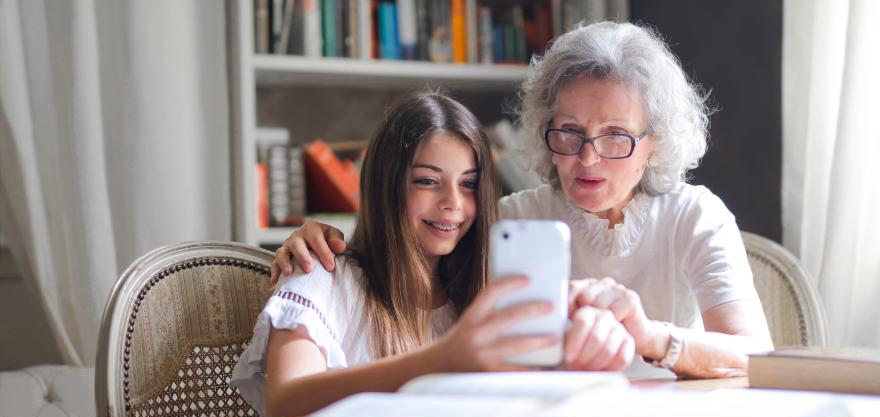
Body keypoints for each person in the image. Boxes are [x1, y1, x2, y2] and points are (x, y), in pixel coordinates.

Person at [270, 22, 775, 379]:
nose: (588, 158)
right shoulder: (508, 221)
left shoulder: (695, 214)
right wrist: (319, 238)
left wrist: (650, 337)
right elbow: (407, 264)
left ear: (655, 143)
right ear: (543, 129)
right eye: (569, 132)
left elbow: (756, 355)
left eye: (616, 136)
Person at [231, 91, 634, 417]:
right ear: (385, 185)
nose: (453, 205)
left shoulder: (479, 295)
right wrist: (443, 360)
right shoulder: (320, 274)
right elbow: (285, 404)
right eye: (427, 181)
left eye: (469, 185)